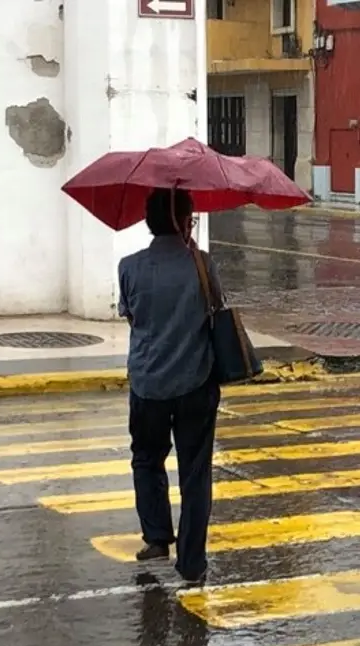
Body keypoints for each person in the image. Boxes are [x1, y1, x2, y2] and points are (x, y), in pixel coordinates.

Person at [117, 188, 223, 585]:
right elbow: (216, 311)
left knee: (146, 458)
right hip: (196, 381)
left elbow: (133, 318)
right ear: (185, 221)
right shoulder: (204, 265)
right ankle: (192, 563)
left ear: (149, 222)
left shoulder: (129, 267)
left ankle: (157, 536)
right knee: (195, 473)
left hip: (148, 383)